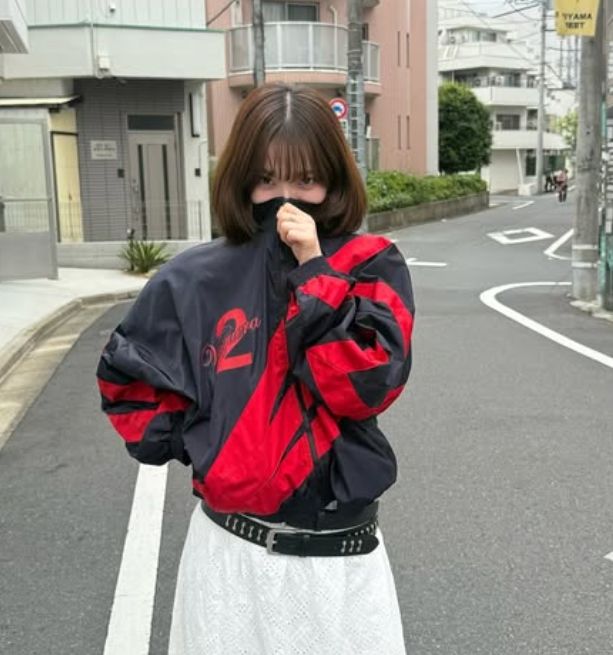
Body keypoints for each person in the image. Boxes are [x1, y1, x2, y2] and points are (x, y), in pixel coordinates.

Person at [96, 83, 415, 655]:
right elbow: (128, 379)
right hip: (229, 557)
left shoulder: (369, 264)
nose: (286, 200)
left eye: (306, 179)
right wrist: (208, 443)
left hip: (343, 564)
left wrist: (314, 271)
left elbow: (366, 386)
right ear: (242, 179)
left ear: (334, 180)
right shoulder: (193, 278)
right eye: (267, 179)